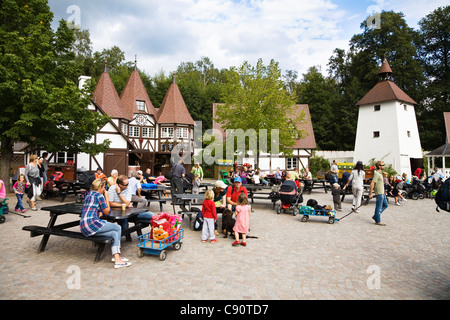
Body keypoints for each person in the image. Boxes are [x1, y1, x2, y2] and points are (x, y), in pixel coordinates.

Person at [80, 179, 131, 269]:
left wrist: (98, 212)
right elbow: (107, 211)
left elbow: (90, 208)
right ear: (100, 187)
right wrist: (106, 197)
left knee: (114, 233)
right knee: (118, 227)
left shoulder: (89, 194)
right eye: (104, 187)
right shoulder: (99, 195)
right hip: (92, 224)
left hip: (84, 226)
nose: (104, 190)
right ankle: (117, 259)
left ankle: (116, 257)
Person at [369, 161, 388, 226]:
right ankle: (378, 220)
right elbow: (372, 183)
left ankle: (376, 216)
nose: (384, 166)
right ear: (379, 166)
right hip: (379, 193)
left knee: (386, 205)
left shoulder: (380, 173)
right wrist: (370, 193)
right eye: (383, 165)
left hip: (382, 193)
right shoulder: (377, 174)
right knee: (378, 207)